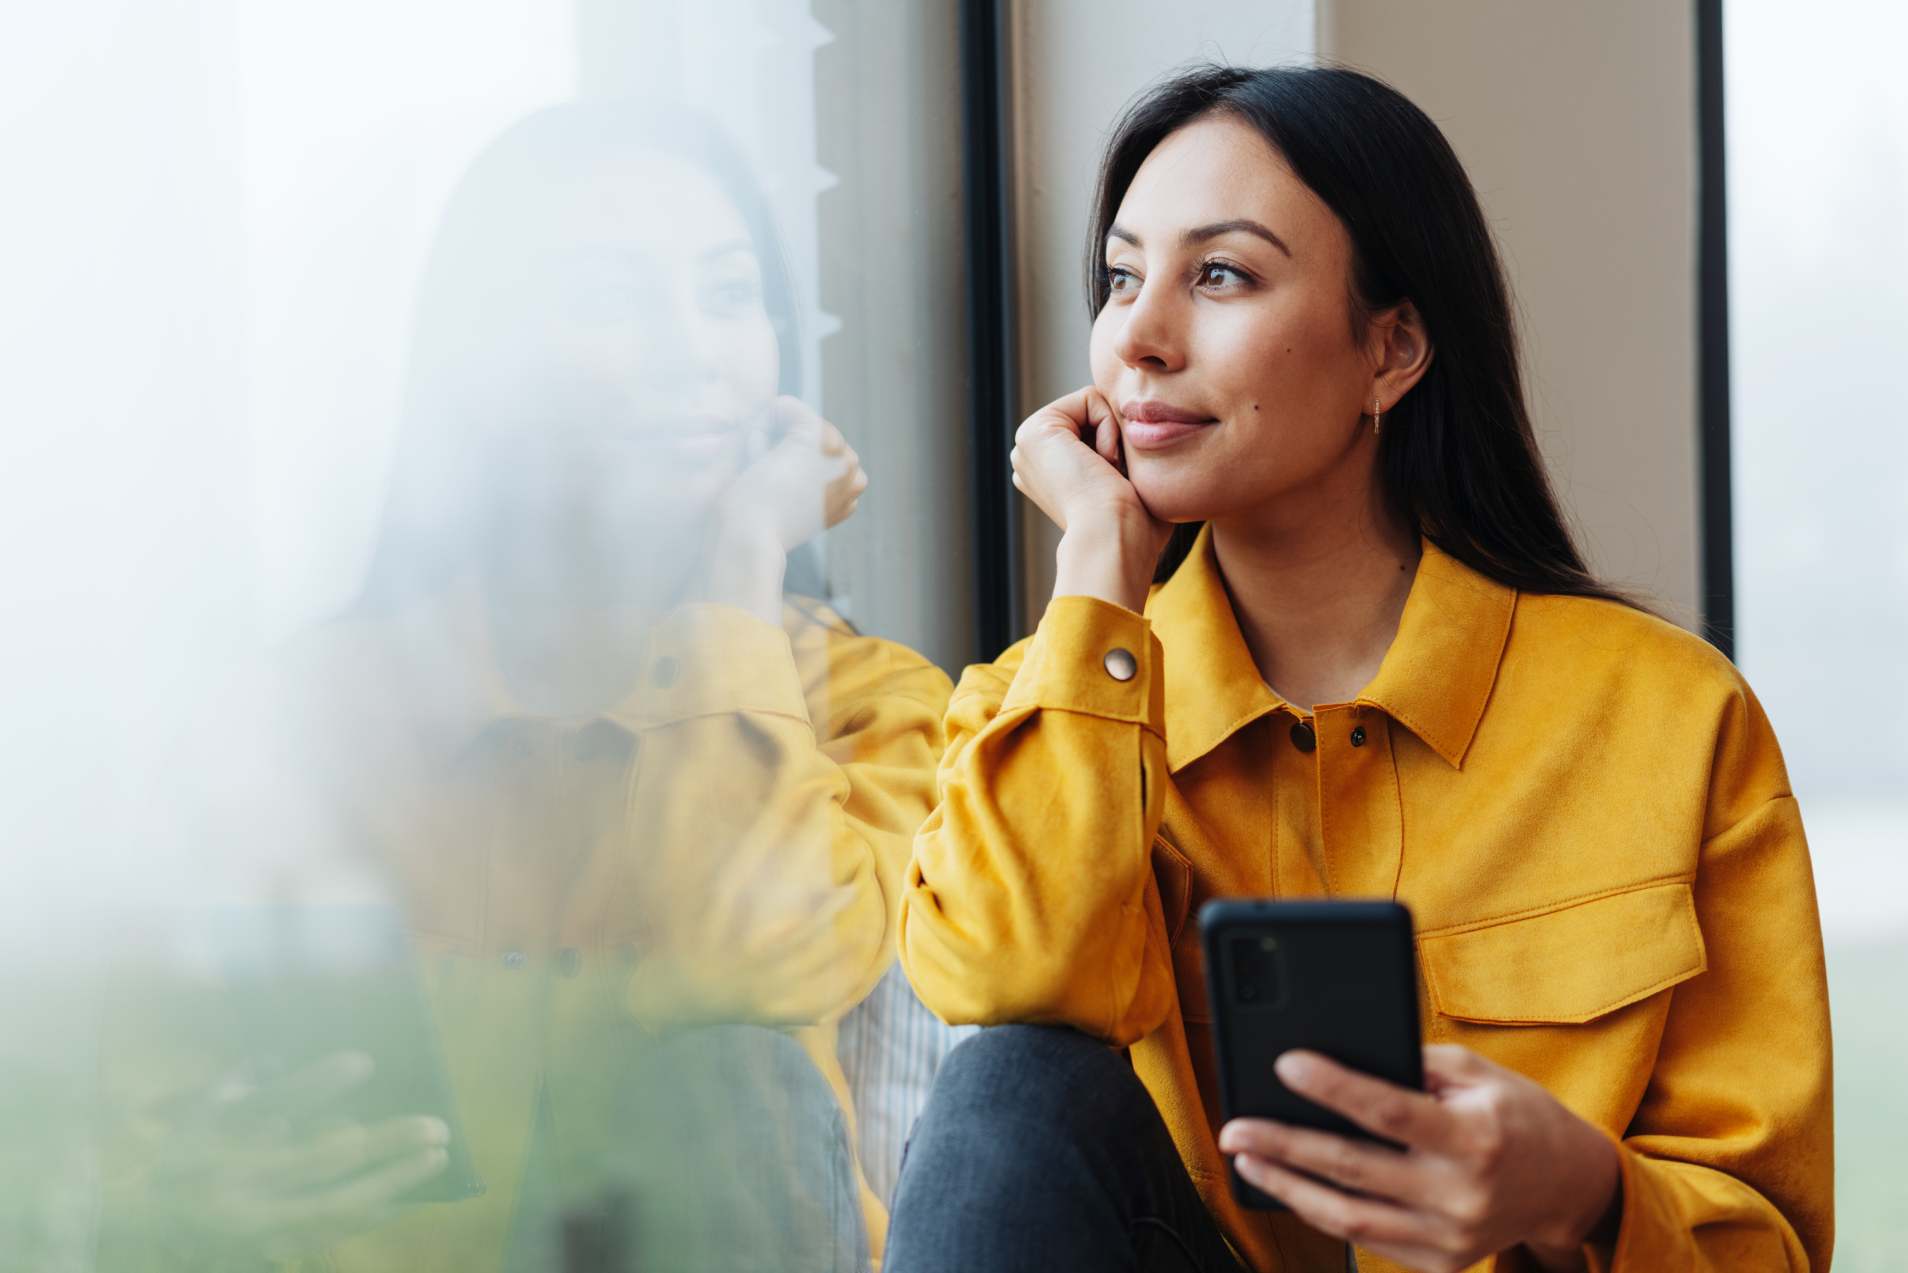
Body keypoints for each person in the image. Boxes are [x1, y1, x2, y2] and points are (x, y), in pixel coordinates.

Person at [889, 65, 1831, 1273]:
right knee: (1009, 1084)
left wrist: (1582, 1190)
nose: (1140, 336)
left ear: (1391, 351)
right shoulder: (1045, 698)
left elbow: (1773, 1245)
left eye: (1219, 274)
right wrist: (1098, 569)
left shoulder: (1672, 717)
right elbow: (1012, 984)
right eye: (1124, 277)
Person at [96, 100, 949, 1273]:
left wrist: (745, 560)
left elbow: (748, 973)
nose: (692, 350)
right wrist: (191, 1185)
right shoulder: (309, 712)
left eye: (727, 293)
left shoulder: (870, 702)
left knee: (715, 1069)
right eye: (612, 301)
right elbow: (133, 1102)